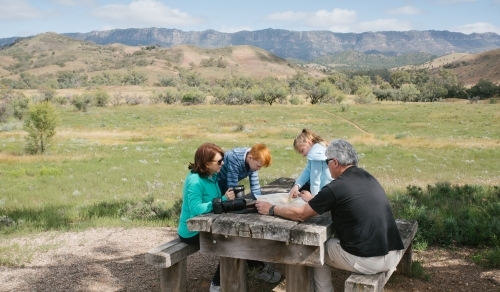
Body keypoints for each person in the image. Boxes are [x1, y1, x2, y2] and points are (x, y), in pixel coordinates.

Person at [255, 139, 405, 292]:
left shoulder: (336, 186)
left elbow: (301, 215)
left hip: (370, 260)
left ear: (334, 162)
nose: (326, 167)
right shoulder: (367, 177)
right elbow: (344, 202)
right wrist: (314, 201)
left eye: (327, 162)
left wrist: (271, 209)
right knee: (324, 244)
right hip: (393, 252)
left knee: (312, 248)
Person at [216, 143, 282, 284]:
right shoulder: (234, 159)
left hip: (227, 186)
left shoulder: (253, 161)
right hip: (218, 184)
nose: (258, 169)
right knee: (229, 217)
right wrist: (234, 204)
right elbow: (231, 185)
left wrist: (261, 200)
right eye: (258, 166)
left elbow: (255, 184)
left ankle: (255, 264)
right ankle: (222, 278)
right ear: (250, 157)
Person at [177, 143, 236, 292]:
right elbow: (196, 209)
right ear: (206, 163)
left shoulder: (212, 175)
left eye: (222, 160)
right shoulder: (195, 181)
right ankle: (217, 285)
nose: (222, 164)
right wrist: (222, 200)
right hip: (191, 231)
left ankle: (238, 276)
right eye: (219, 161)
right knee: (231, 243)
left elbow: (213, 202)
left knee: (237, 239)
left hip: (207, 224)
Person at [288, 129, 333, 202]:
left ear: (308, 142)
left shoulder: (315, 154)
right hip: (331, 187)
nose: (303, 155)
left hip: (325, 189)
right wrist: (297, 185)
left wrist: (314, 199)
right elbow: (308, 170)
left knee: (302, 190)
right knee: (297, 185)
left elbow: (315, 179)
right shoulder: (320, 147)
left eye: (302, 150)